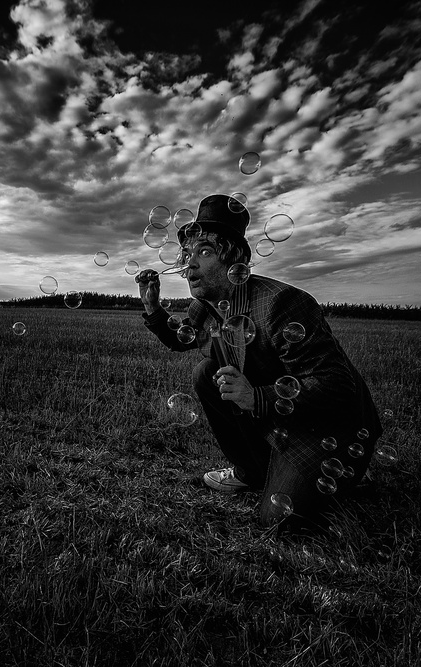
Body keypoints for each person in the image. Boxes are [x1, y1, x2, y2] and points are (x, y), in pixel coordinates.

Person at [136, 193, 382, 528]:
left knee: (278, 519)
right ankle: (252, 470)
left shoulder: (281, 303)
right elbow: (183, 339)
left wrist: (256, 397)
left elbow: (338, 385)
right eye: (188, 253)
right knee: (206, 373)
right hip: (276, 413)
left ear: (234, 260)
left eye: (204, 252)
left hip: (327, 425)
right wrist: (153, 308)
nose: (190, 263)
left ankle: (349, 472)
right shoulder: (205, 305)